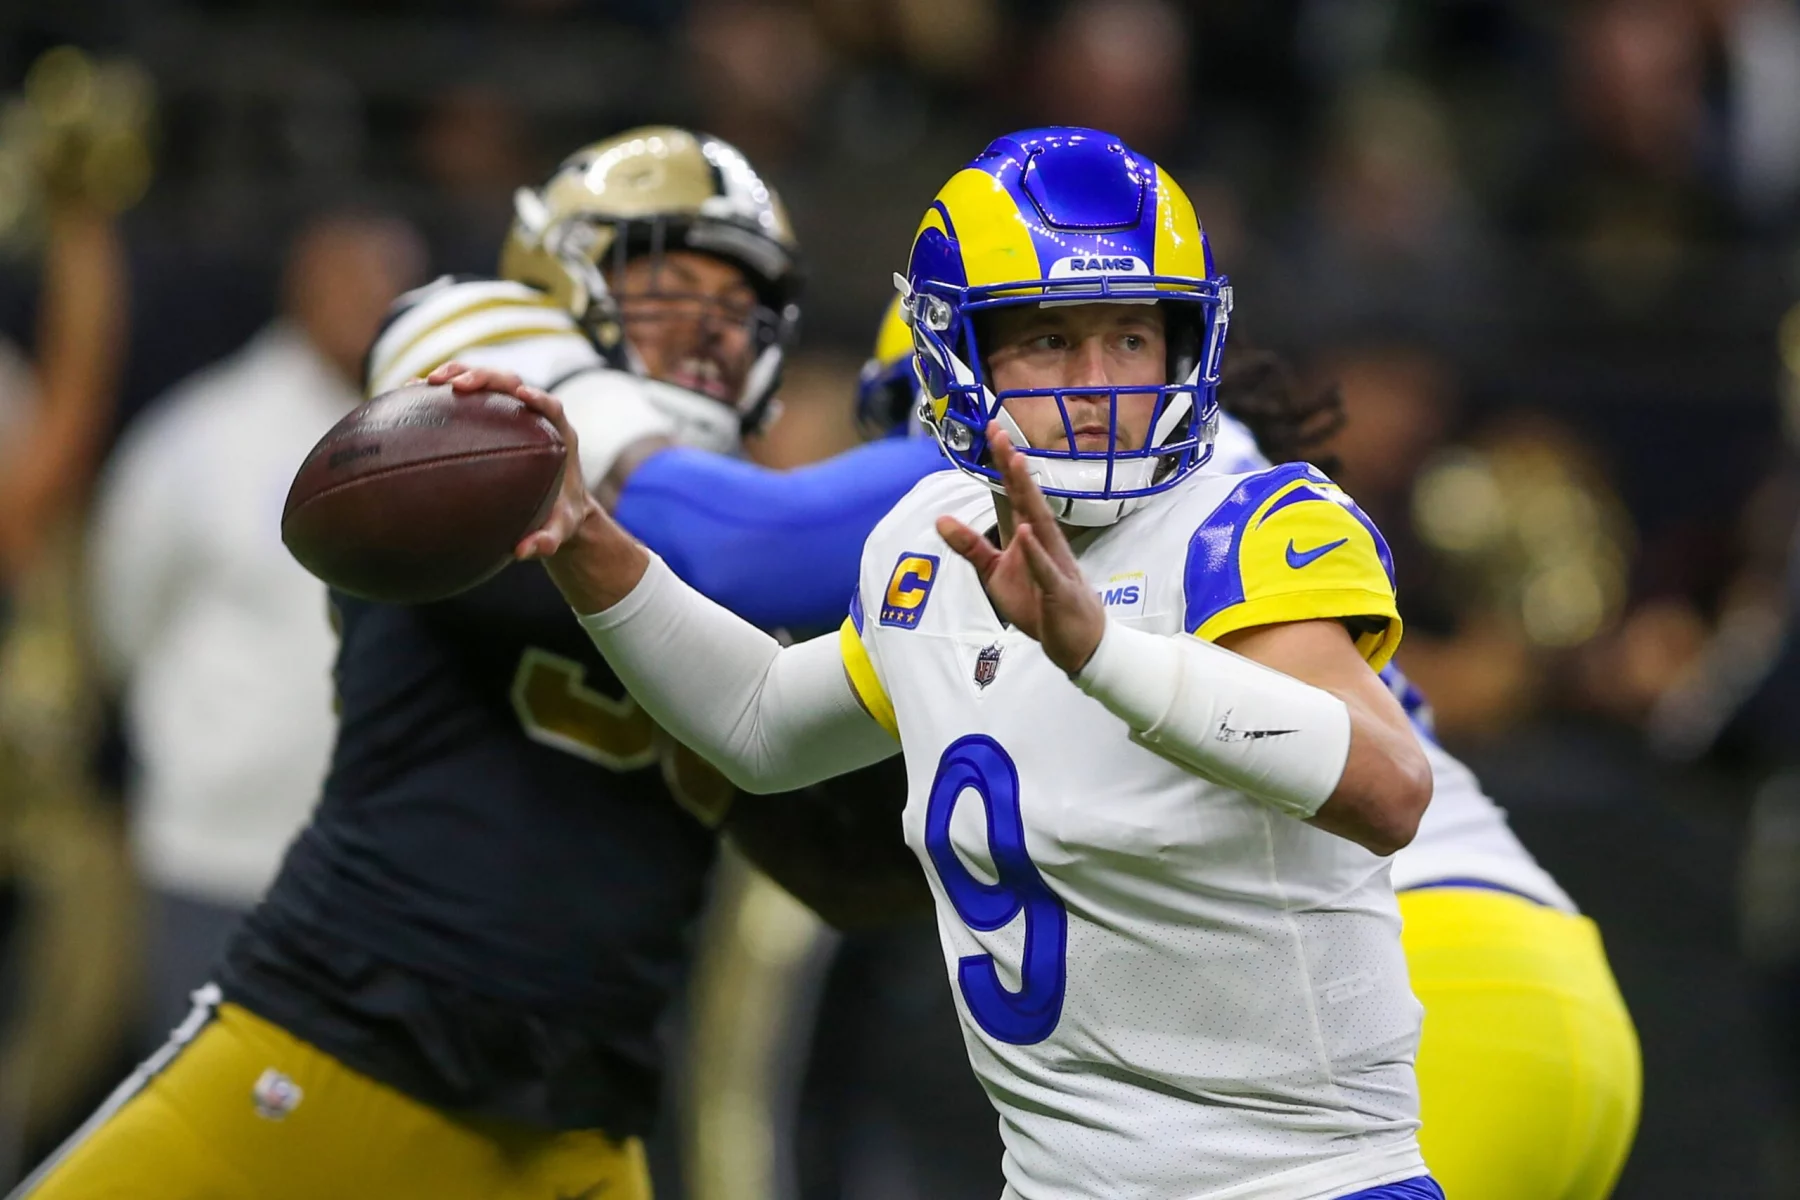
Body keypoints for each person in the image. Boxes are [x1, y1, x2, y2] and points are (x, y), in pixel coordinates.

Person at [510, 127, 1443, 1199]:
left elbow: (1387, 785)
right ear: (956, 355)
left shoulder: (1251, 526)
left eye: (1132, 339)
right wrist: (590, 550)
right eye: (1048, 340)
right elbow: (761, 726)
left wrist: (1103, 652)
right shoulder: (931, 539)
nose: (1098, 384)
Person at [10, 127, 937, 1200]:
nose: (708, 330)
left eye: (739, 310)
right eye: (669, 282)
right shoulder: (478, 361)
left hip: (579, 1116)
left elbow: (862, 871)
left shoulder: (782, 532)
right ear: (562, 276)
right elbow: (732, 542)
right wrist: (1009, 462)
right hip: (341, 1046)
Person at [857, 295, 1645, 1199]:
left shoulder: (1107, 492)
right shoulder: (1171, 463)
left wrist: (652, 445)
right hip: (1515, 976)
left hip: (1432, 995)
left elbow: (748, 541)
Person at [87, 212, 427, 1047]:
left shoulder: (438, 440)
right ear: (303, 283)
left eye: (393, 285)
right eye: (354, 278)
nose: (372, 302)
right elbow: (122, 613)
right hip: (219, 849)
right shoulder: (204, 435)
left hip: (383, 858)